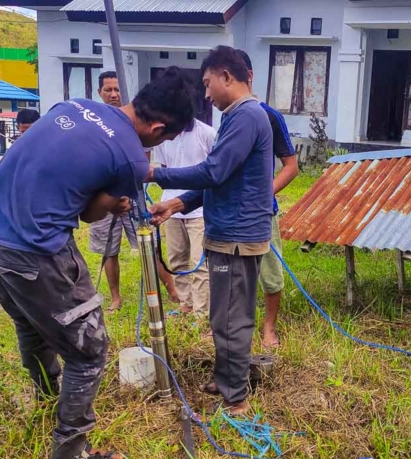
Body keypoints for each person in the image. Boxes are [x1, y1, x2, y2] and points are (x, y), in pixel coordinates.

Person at [0, 66, 195, 459]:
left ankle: (47, 400)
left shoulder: (76, 105)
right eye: (168, 139)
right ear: (159, 127)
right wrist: (116, 204)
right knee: (88, 350)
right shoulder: (130, 160)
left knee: (33, 328)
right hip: (34, 252)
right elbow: (89, 214)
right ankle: (68, 455)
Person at [147, 46, 274, 416]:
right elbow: (220, 179)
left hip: (237, 237)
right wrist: (176, 203)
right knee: (222, 314)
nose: (205, 95)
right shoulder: (236, 118)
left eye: (207, 84)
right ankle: (225, 377)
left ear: (226, 77)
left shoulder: (247, 116)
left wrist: (155, 173)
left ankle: (236, 398)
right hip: (227, 232)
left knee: (232, 316)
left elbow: (214, 171)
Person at [90, 71, 180, 311]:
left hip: (133, 196)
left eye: (117, 89)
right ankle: (116, 298)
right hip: (102, 196)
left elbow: (143, 162)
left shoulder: (136, 123)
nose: (113, 94)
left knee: (147, 243)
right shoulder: (96, 120)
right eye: (108, 89)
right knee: (109, 250)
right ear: (99, 92)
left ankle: (172, 291)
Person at [236, 49, 299, 348]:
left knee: (271, 273)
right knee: (233, 275)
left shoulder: (269, 116)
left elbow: (291, 166)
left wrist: (265, 193)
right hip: (230, 213)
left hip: (262, 212)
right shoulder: (225, 118)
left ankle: (269, 327)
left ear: (248, 76)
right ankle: (234, 327)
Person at [154, 117, 216, 317]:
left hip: (199, 207)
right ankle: (185, 303)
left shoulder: (206, 133)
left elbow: (214, 171)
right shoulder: (163, 136)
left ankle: (201, 312)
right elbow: (165, 169)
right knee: (176, 259)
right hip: (169, 207)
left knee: (199, 262)